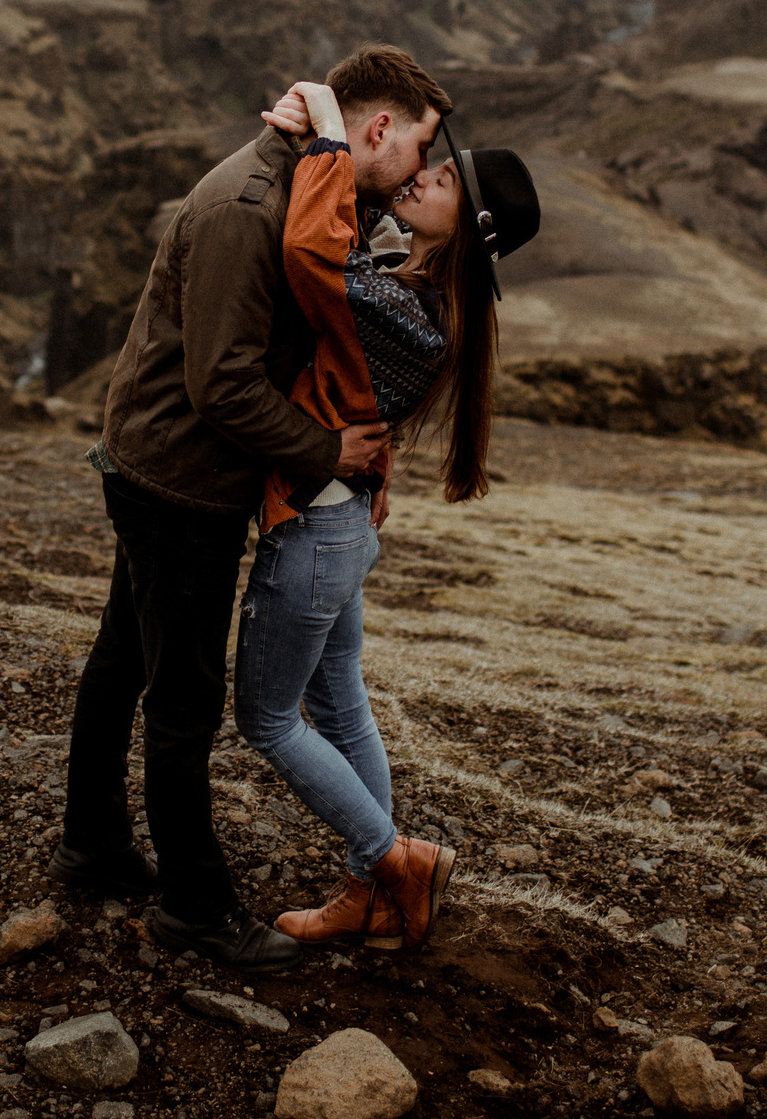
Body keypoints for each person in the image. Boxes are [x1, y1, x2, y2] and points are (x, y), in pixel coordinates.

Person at [56, 45, 454, 971]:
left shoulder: (311, 181)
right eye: (421, 146)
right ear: (380, 128)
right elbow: (222, 382)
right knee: (185, 696)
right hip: (180, 475)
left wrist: (321, 122)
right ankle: (194, 908)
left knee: (124, 656)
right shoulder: (251, 205)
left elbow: (336, 283)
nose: (420, 170)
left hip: (168, 459)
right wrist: (326, 450)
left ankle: (92, 844)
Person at [234, 80, 540, 952]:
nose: (421, 177)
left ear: (468, 229)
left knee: (266, 717)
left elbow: (313, 255)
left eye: (443, 182)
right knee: (340, 701)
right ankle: (372, 891)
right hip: (342, 527)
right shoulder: (420, 292)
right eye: (433, 165)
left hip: (317, 534)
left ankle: (393, 860)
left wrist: (332, 133)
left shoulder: (413, 313)